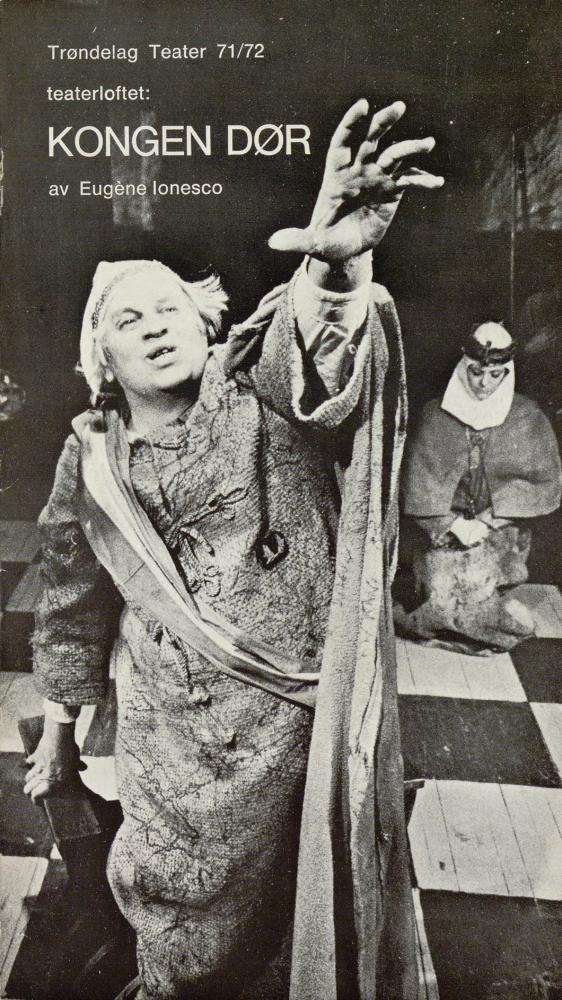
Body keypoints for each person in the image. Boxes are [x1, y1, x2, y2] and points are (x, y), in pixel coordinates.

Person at [23, 99, 444, 1000]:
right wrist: (59, 736)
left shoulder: (259, 385)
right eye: (127, 320)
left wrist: (335, 269)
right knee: (180, 916)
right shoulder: (89, 460)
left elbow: (319, 354)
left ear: (206, 322)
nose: (154, 324)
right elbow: (69, 605)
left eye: (168, 307)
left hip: (303, 721)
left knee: (308, 909)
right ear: (100, 360)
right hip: (172, 740)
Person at [395, 322, 561, 652]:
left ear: (506, 373)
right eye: (476, 372)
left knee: (474, 584)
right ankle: (490, 617)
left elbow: (543, 484)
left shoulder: (527, 416)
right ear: (464, 367)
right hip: (443, 531)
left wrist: (488, 520)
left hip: (499, 530)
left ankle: (495, 613)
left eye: (495, 374)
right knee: (442, 594)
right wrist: (455, 525)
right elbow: (416, 485)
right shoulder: (434, 415)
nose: (484, 383)